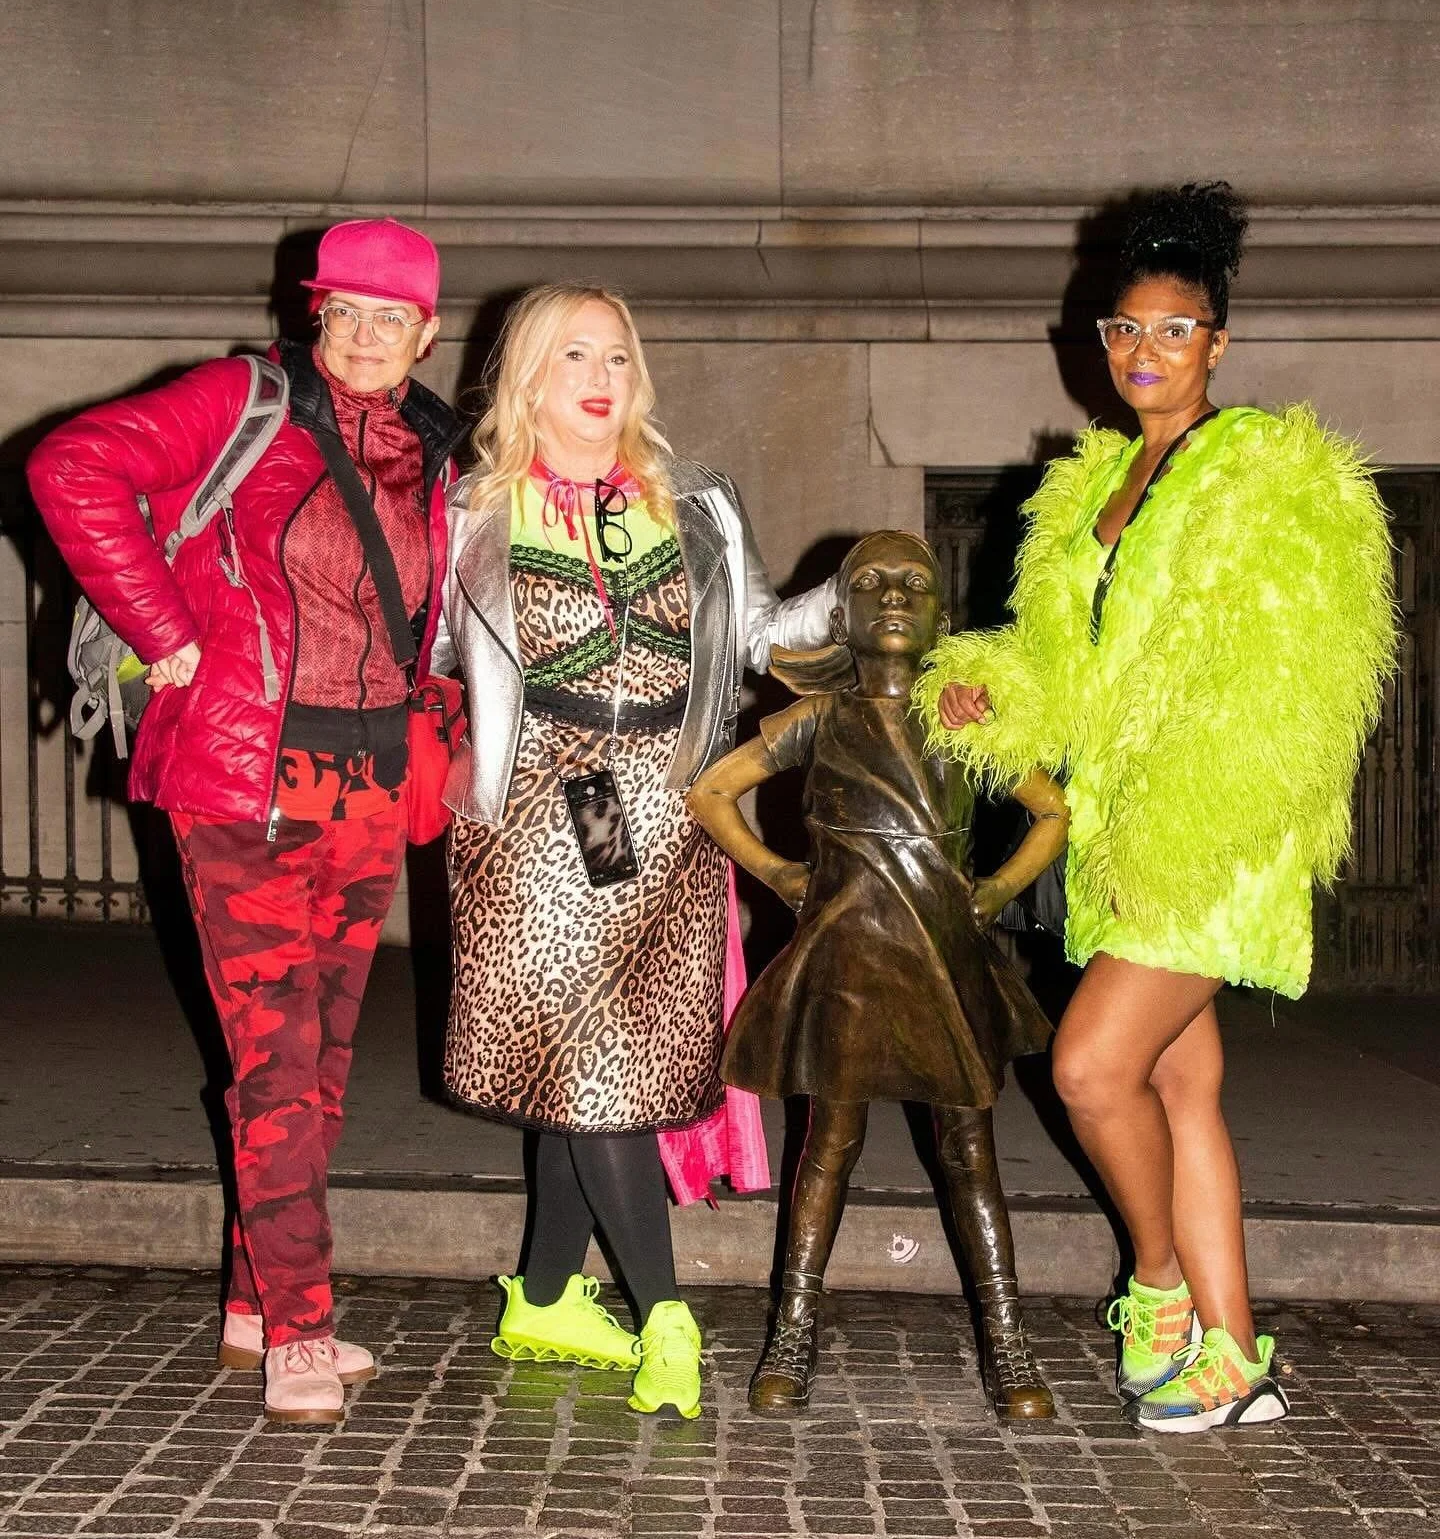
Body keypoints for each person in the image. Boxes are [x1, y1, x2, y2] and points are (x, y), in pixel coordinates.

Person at [914, 183, 1396, 1432]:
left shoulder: (1269, 469)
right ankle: (1242, 1358)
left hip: (1213, 833)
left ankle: (1162, 1285)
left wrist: (1211, 804)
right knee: (1181, 1089)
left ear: (1217, 344)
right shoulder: (1091, 489)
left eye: (1171, 331)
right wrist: (988, 695)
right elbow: (1058, 667)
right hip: (1120, 833)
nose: (1141, 353)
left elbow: (1310, 666)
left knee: (1087, 1069)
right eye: (1123, 330)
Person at [28, 218, 464, 1428]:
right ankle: (303, 1330)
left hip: (367, 788)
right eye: (350, 313)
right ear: (315, 313)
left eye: (396, 319)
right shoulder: (246, 400)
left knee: (318, 1066)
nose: (371, 337)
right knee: (271, 1060)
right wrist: (162, 631)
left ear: (428, 332)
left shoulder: (434, 445)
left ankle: (250, 1302)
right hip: (242, 780)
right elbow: (72, 467)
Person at [438, 282, 834, 1420]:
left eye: (616, 354)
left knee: (595, 1075)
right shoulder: (480, 513)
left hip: (667, 815)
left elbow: (760, 633)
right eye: (574, 355)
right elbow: (428, 658)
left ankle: (548, 1294)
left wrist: (852, 599)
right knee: (602, 1077)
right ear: (528, 378)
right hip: (549, 817)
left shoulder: (696, 505)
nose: (602, 377)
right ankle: (668, 1317)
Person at [688, 532, 1069, 1420]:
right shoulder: (817, 719)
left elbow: (1051, 810)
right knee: (829, 1144)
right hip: (847, 960)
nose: (894, 595)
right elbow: (711, 791)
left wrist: (996, 890)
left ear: (941, 616)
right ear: (842, 613)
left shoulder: (965, 718)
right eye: (871, 583)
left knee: (970, 1153)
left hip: (946, 958)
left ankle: (1007, 1339)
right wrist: (780, 872)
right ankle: (793, 1326)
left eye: (914, 584)